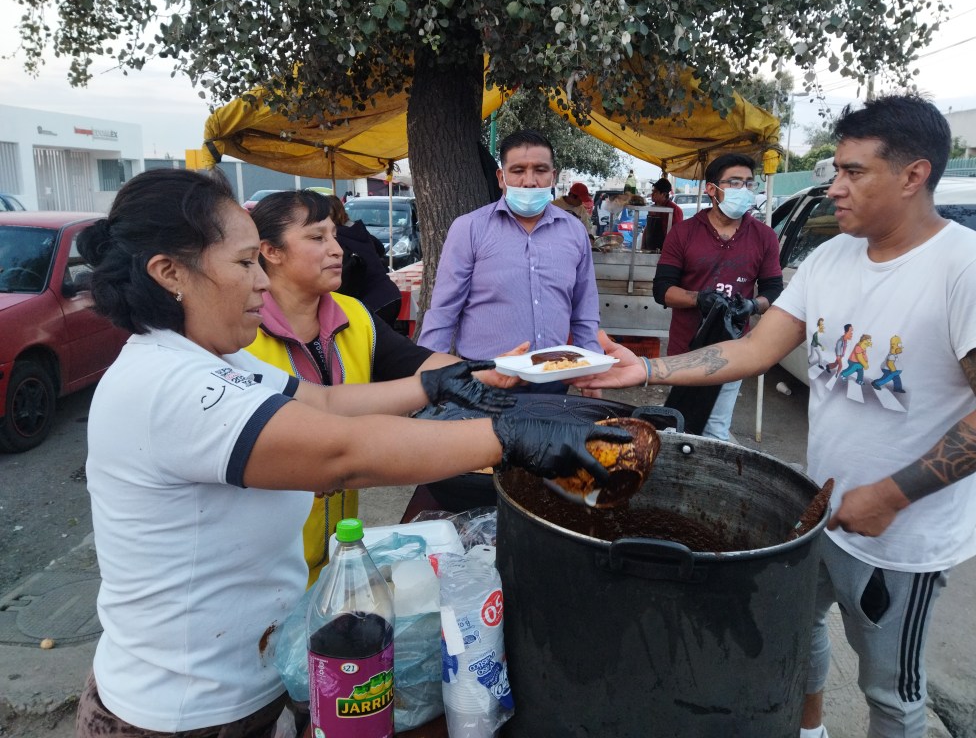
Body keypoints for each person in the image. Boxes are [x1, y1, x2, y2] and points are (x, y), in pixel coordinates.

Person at [73, 168, 628, 737]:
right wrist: (516, 438)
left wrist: (441, 383)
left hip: (258, 677)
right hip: (183, 710)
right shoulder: (169, 382)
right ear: (170, 273)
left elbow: (327, 403)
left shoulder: (218, 358)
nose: (261, 285)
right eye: (244, 264)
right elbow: (343, 452)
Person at [576, 94, 976, 738]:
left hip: (902, 540)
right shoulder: (833, 257)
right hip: (818, 509)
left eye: (852, 172)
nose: (834, 187)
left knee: (890, 692)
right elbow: (757, 347)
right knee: (799, 635)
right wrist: (646, 371)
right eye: (835, 170)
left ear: (913, 175)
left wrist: (895, 495)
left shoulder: (971, 270)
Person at [246, 189, 522, 586]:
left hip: (340, 548)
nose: (337, 249)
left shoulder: (354, 314)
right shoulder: (242, 337)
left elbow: (417, 364)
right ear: (271, 251)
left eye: (334, 235)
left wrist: (489, 371)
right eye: (317, 238)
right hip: (267, 560)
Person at [418, 129, 602, 394]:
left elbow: (584, 310)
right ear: (501, 178)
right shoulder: (470, 229)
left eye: (540, 170)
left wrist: (591, 370)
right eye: (517, 170)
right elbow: (443, 312)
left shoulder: (574, 232)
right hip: (485, 378)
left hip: (553, 378)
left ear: (553, 176)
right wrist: (430, 378)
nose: (529, 181)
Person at [652, 152, 783, 440]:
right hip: (685, 349)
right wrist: (699, 298)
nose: (744, 190)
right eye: (735, 183)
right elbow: (662, 290)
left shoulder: (764, 236)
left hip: (733, 349)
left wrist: (753, 305)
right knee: (679, 423)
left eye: (749, 183)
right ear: (712, 189)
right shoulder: (683, 233)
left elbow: (773, 289)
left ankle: (709, 482)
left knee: (714, 428)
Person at [324, 194, 404, 325]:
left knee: (367, 343)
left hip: (372, 301)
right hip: (391, 294)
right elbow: (380, 248)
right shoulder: (357, 230)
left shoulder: (337, 239)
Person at [640, 177, 685, 252]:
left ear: (663, 194)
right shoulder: (653, 207)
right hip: (650, 250)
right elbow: (647, 228)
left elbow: (676, 236)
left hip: (666, 252)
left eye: (655, 192)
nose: (652, 194)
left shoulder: (675, 210)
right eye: (652, 191)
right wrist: (643, 246)